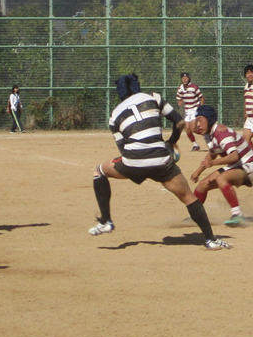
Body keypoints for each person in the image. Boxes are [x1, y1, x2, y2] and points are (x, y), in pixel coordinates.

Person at [89, 74, 231, 250]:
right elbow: (179, 122)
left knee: (99, 171)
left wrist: (139, 169)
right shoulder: (153, 97)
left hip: (133, 161)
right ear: (137, 86)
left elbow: (123, 150)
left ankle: (105, 220)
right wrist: (170, 142)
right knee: (188, 197)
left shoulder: (114, 115)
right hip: (161, 160)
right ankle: (211, 240)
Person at [190, 104, 253, 227]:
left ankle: (237, 214)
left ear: (209, 119)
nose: (198, 124)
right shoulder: (210, 134)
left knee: (221, 178)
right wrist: (198, 171)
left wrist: (212, 163)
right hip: (236, 166)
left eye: (200, 120)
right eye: (197, 120)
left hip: (249, 166)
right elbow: (212, 154)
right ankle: (195, 216)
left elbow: (234, 156)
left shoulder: (221, 133)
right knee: (203, 184)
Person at [176, 72, 204, 151]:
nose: (184, 79)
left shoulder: (194, 87)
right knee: (187, 129)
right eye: (183, 78)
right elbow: (179, 99)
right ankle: (195, 145)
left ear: (189, 79)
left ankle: (208, 135)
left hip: (195, 108)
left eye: (186, 78)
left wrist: (201, 108)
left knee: (193, 128)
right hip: (187, 110)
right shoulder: (180, 89)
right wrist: (180, 102)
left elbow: (201, 97)